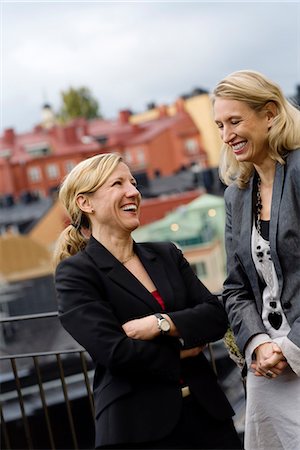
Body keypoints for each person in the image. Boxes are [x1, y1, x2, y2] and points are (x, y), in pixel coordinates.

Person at [53, 153, 241, 449]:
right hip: (138, 429)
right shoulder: (76, 273)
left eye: (134, 182)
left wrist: (161, 325)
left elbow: (216, 316)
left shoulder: (166, 254)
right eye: (117, 183)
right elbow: (115, 352)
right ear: (85, 203)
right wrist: (183, 347)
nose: (133, 192)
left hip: (208, 416)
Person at [212, 70, 300, 450]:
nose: (226, 134)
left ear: (269, 114)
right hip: (269, 365)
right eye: (219, 125)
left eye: (235, 121)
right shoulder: (236, 194)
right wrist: (258, 343)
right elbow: (235, 287)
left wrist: (291, 346)